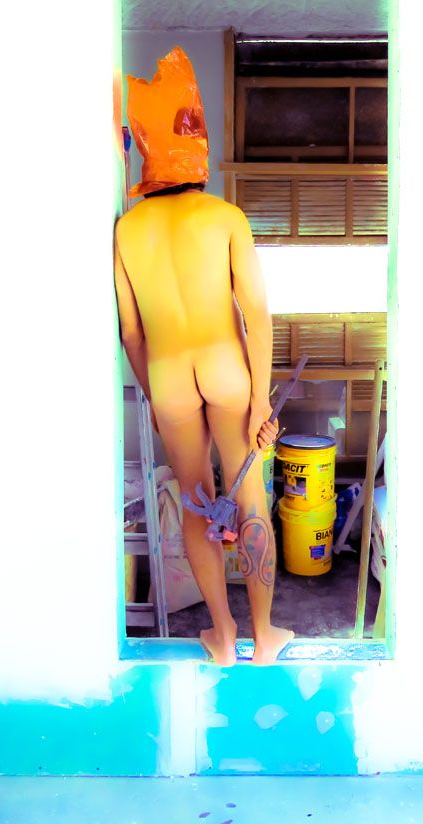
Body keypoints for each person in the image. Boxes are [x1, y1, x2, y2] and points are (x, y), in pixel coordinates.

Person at [113, 46, 294, 666]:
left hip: (167, 378)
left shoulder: (127, 229)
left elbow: (131, 334)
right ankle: (263, 635)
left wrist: (157, 399)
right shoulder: (226, 217)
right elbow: (257, 315)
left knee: (195, 502)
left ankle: (221, 635)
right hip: (227, 371)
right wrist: (261, 399)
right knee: (249, 499)